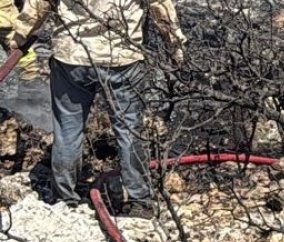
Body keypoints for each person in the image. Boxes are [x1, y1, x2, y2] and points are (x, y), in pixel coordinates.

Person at [5, 0, 186, 216]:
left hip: (72, 57)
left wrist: (19, 35)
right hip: (122, 57)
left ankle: (64, 198)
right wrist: (174, 44)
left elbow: (39, 4)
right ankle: (139, 200)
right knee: (130, 132)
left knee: (68, 130)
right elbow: (159, 4)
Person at [0, 0, 39, 80]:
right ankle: (31, 79)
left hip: (6, 21)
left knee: (24, 58)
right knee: (26, 60)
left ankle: (31, 79)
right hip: (7, 20)